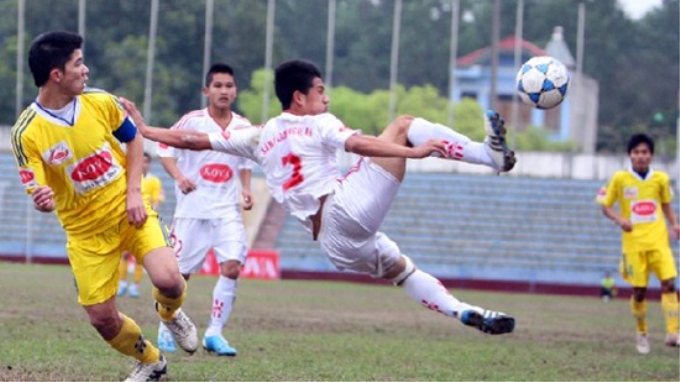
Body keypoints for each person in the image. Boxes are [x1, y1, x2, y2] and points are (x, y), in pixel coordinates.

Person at [121, 59, 517, 336]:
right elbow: (361, 143)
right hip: (343, 206)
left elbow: (191, 138)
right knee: (403, 125)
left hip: (333, 243)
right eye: (321, 91)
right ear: (300, 98)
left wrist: (146, 128)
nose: (326, 99)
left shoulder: (258, 135)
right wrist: (411, 151)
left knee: (402, 270)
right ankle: (490, 157)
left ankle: (465, 310)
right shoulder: (317, 123)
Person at [10, 31, 198, 382]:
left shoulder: (100, 102)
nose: (86, 70)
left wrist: (132, 194)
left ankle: (170, 315)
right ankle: (152, 362)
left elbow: (134, 138)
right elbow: (36, 190)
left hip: (129, 212)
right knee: (102, 318)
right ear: (56, 75)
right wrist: (42, 200)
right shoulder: (27, 132)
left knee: (170, 280)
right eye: (78, 63)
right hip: (85, 234)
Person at [156, 63, 254, 356]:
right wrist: (179, 176)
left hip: (226, 211)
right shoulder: (192, 121)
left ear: (235, 91)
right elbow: (163, 147)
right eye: (218, 86)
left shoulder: (243, 127)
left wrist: (246, 189)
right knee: (177, 277)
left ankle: (214, 333)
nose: (224, 91)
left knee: (232, 267)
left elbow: (246, 162)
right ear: (207, 90)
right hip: (192, 210)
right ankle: (165, 327)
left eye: (229, 86)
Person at [597, 133, 680, 354]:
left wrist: (675, 223)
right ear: (630, 155)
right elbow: (605, 206)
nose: (640, 156)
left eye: (644, 152)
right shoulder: (619, 179)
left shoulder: (660, 179)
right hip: (633, 245)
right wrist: (619, 219)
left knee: (670, 283)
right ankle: (642, 333)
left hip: (658, 241)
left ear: (651, 155)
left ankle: (673, 331)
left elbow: (666, 204)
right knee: (640, 292)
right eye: (636, 152)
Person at [118, 152, 166, 298]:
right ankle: (122, 284)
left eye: (146, 162)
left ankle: (135, 286)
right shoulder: (129, 178)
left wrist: (151, 214)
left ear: (149, 163)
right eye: (141, 161)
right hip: (128, 220)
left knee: (140, 257)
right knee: (125, 254)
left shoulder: (154, 181)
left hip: (144, 222)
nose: (143, 164)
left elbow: (157, 200)